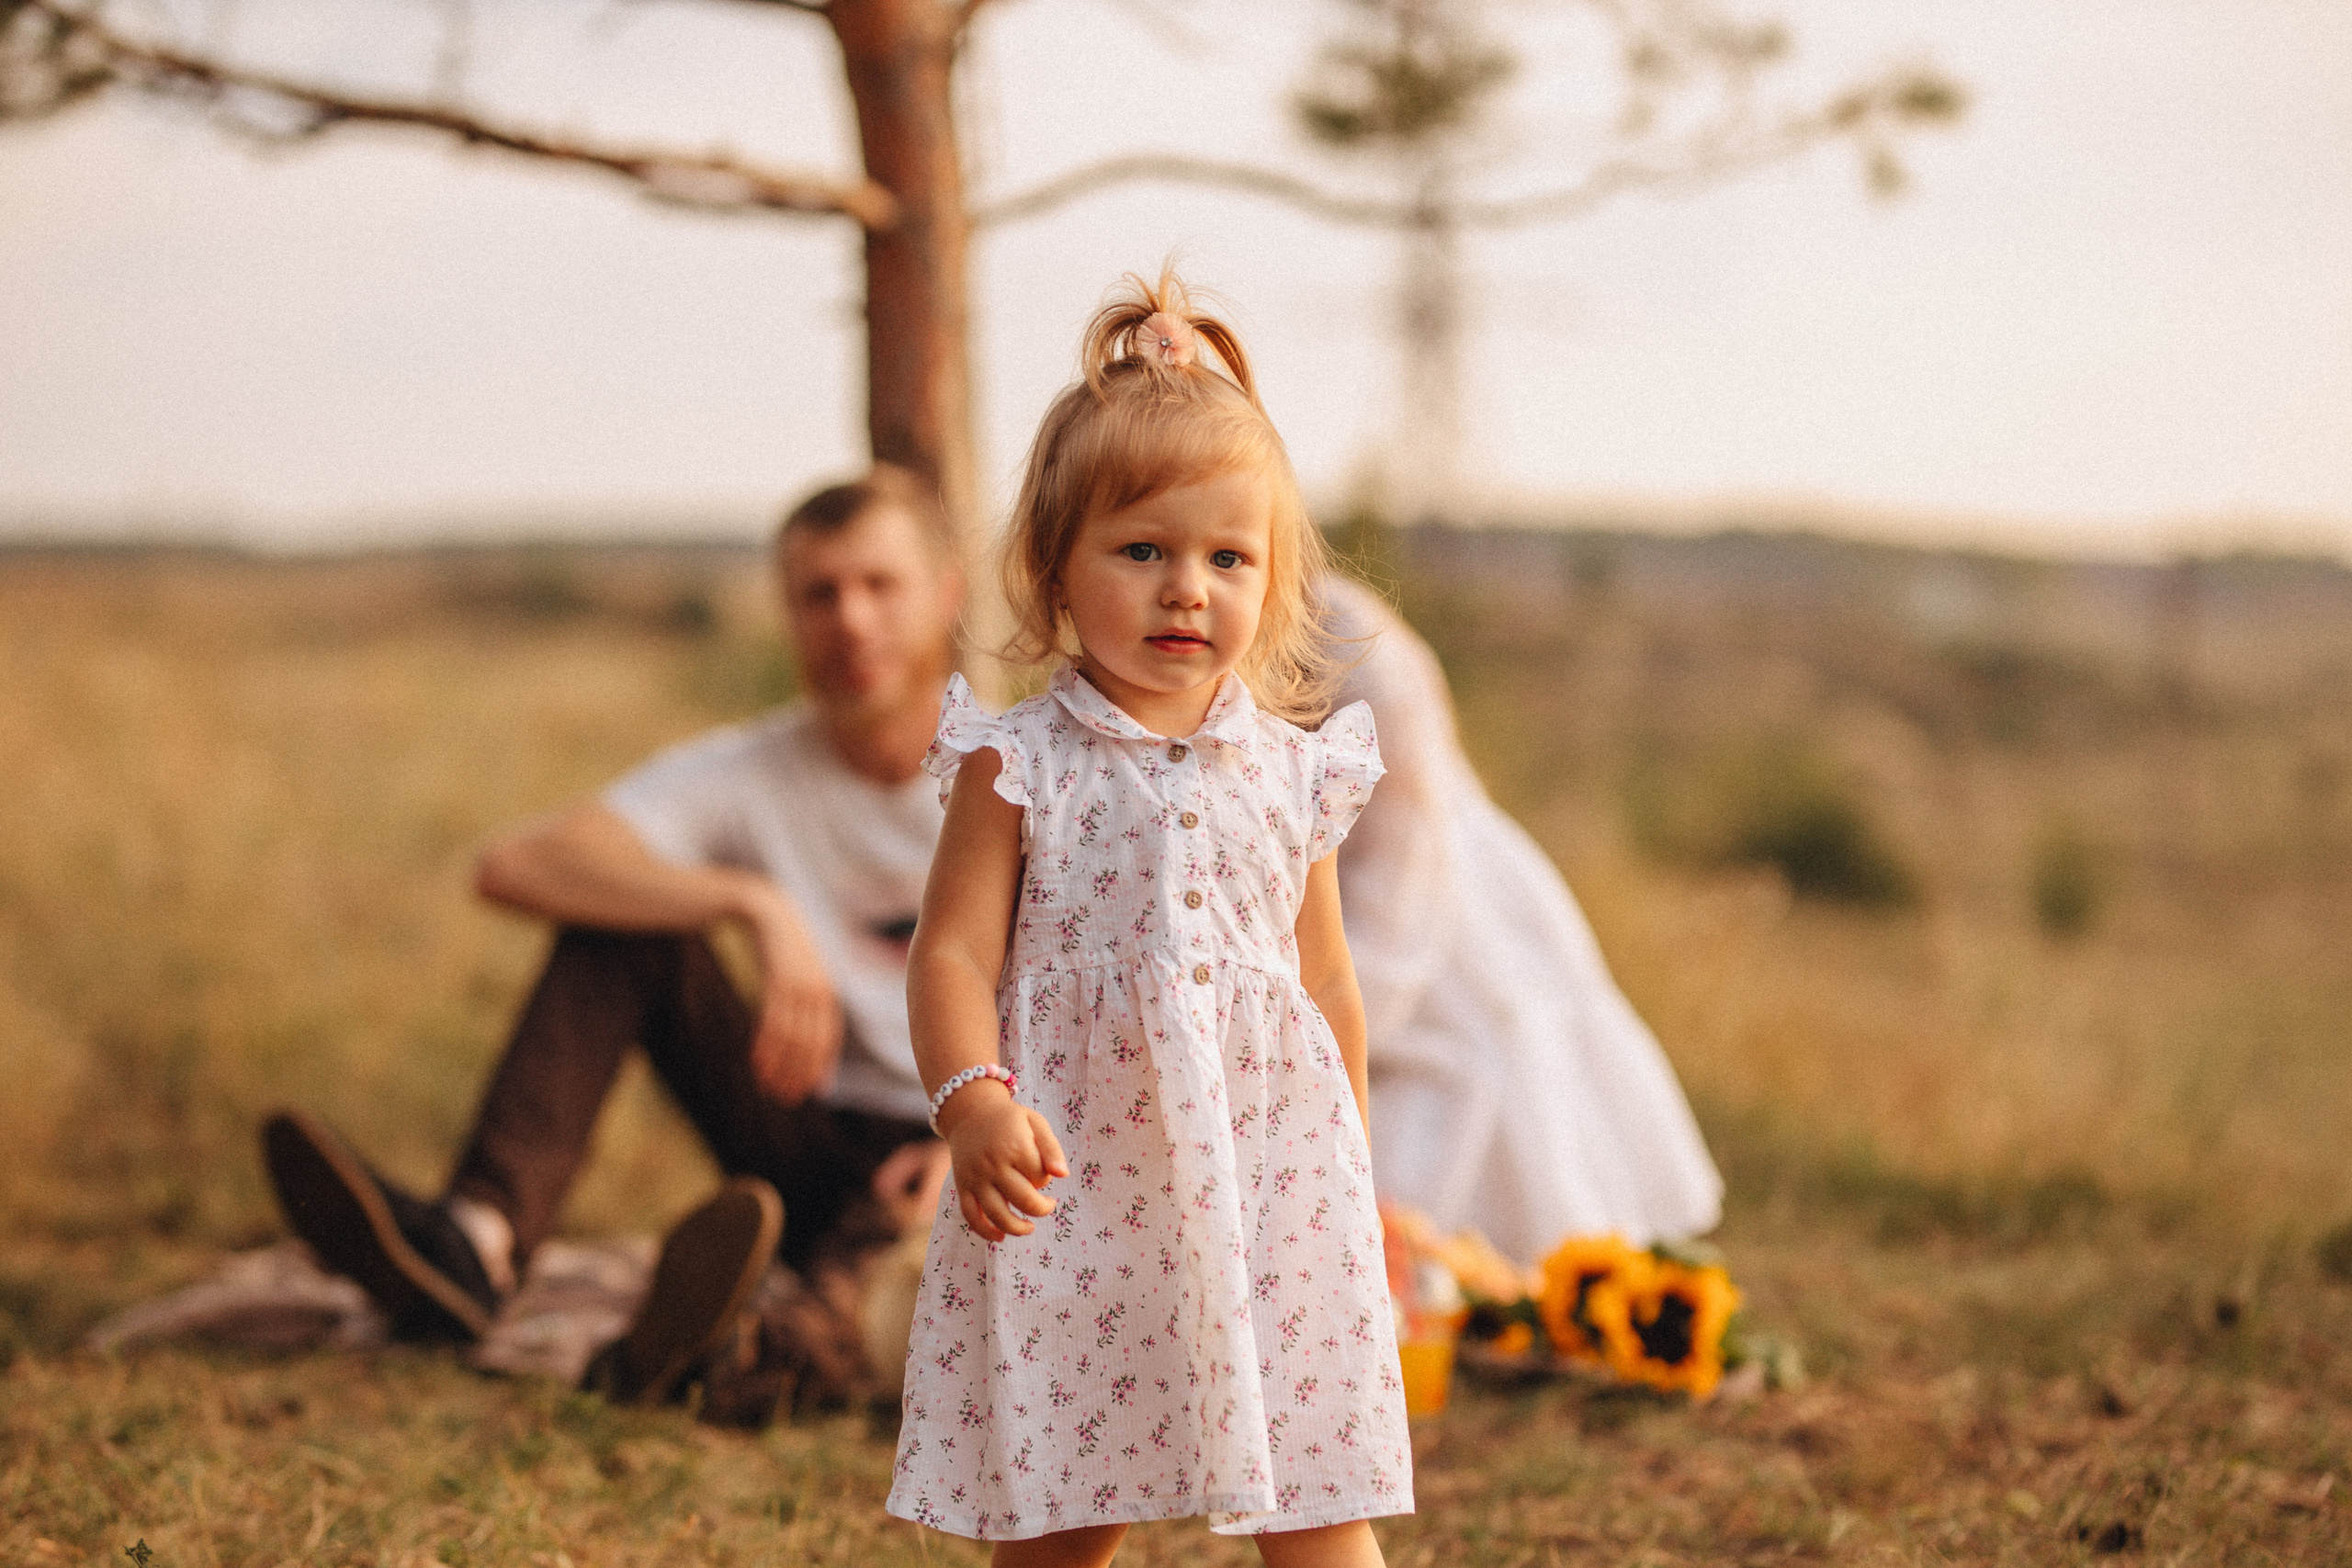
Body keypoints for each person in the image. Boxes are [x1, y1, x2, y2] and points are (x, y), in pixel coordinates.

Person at [888, 274, 1409, 1567]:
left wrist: (1351, 1170)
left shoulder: (1296, 770)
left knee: (1318, 1493)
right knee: (1074, 1494)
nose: (1189, 590)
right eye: (1144, 551)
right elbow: (951, 949)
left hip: (1271, 1181)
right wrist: (972, 1097)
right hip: (1085, 1176)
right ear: (1055, 565)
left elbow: (1324, 977)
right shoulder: (1018, 763)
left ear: (1274, 576)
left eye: (1229, 557)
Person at [261, 466, 965, 1404]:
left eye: (880, 586)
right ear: (787, 612)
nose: (851, 620)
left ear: (947, 591)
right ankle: (477, 1241)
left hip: (962, 1154)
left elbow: (1112, 1000)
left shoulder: (1010, 776)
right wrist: (746, 904)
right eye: (818, 593)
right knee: (623, 921)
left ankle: (721, 1359)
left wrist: (983, 1126)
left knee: (904, 1293)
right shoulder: (753, 768)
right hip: (800, 1128)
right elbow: (516, 866)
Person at [1322, 576, 1724, 1264]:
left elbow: (1400, 885)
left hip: (1418, 894)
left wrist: (1313, 1033)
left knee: (1483, 1078)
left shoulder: (1358, 652)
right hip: (1297, 902)